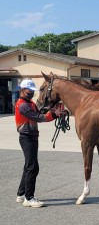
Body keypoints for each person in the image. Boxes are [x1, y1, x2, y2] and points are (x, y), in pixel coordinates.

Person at [15, 79, 64, 208]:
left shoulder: (29, 103)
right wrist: (54, 115)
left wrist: (50, 108)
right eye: (28, 91)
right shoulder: (23, 105)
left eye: (32, 91)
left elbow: (39, 112)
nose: (31, 93)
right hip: (27, 137)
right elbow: (39, 118)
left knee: (28, 166)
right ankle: (29, 198)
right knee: (32, 167)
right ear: (22, 90)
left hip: (31, 136)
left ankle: (21, 194)